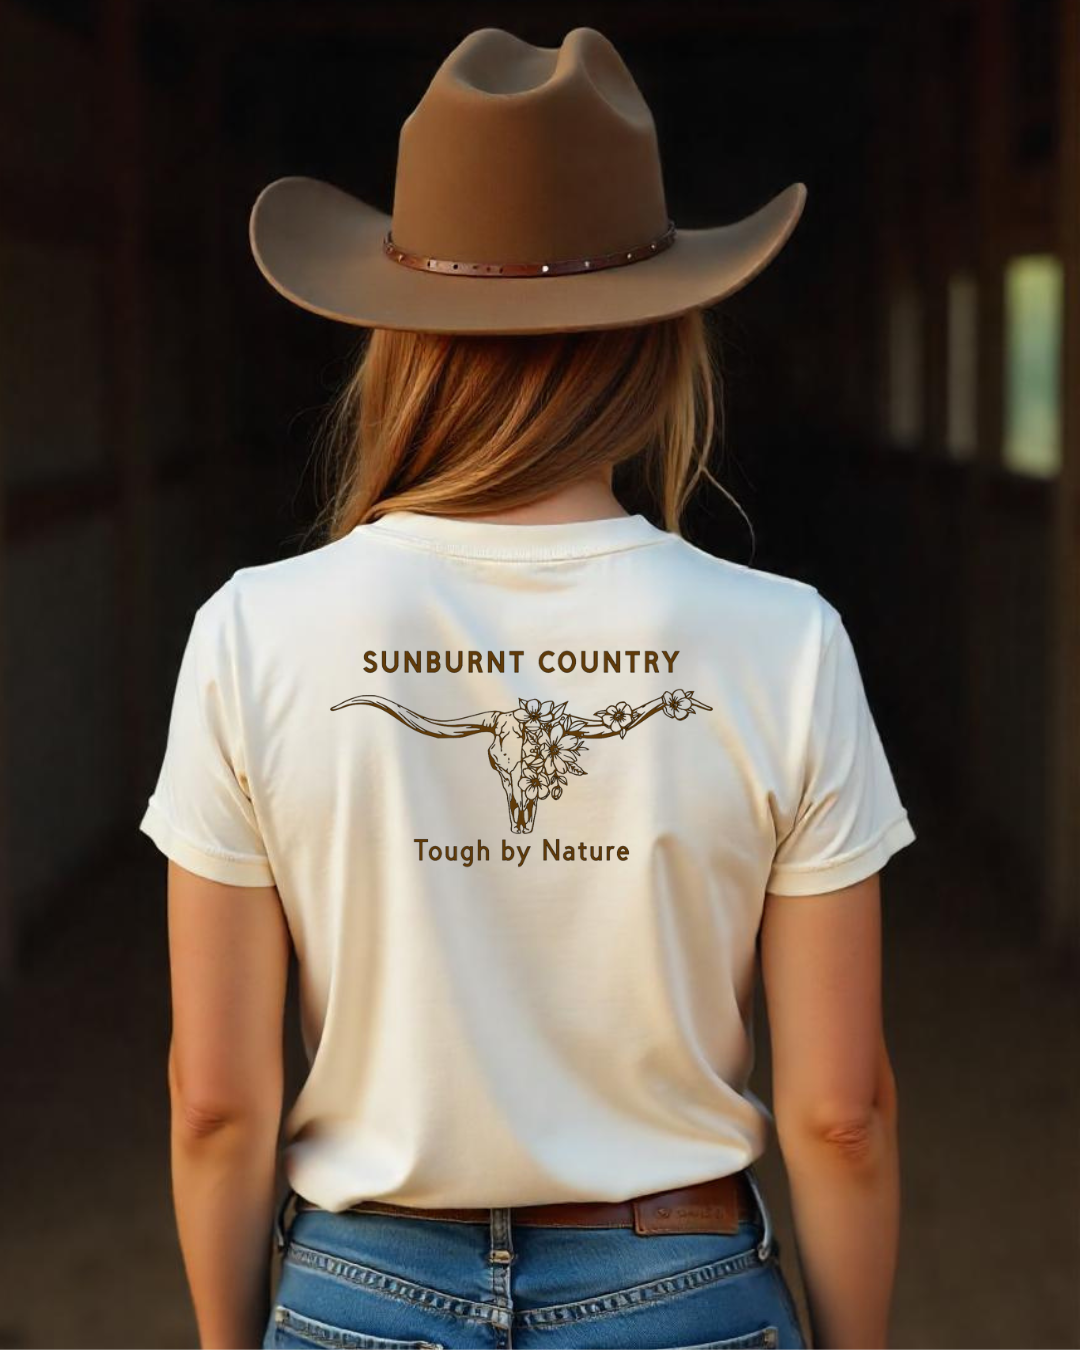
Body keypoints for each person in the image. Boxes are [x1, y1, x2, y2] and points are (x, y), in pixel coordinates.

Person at [140, 25, 916, 1350]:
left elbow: (216, 1101)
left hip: (356, 1290)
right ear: (658, 334)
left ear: (399, 329)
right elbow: (842, 1113)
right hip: (683, 1289)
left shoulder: (252, 632)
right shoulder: (785, 640)